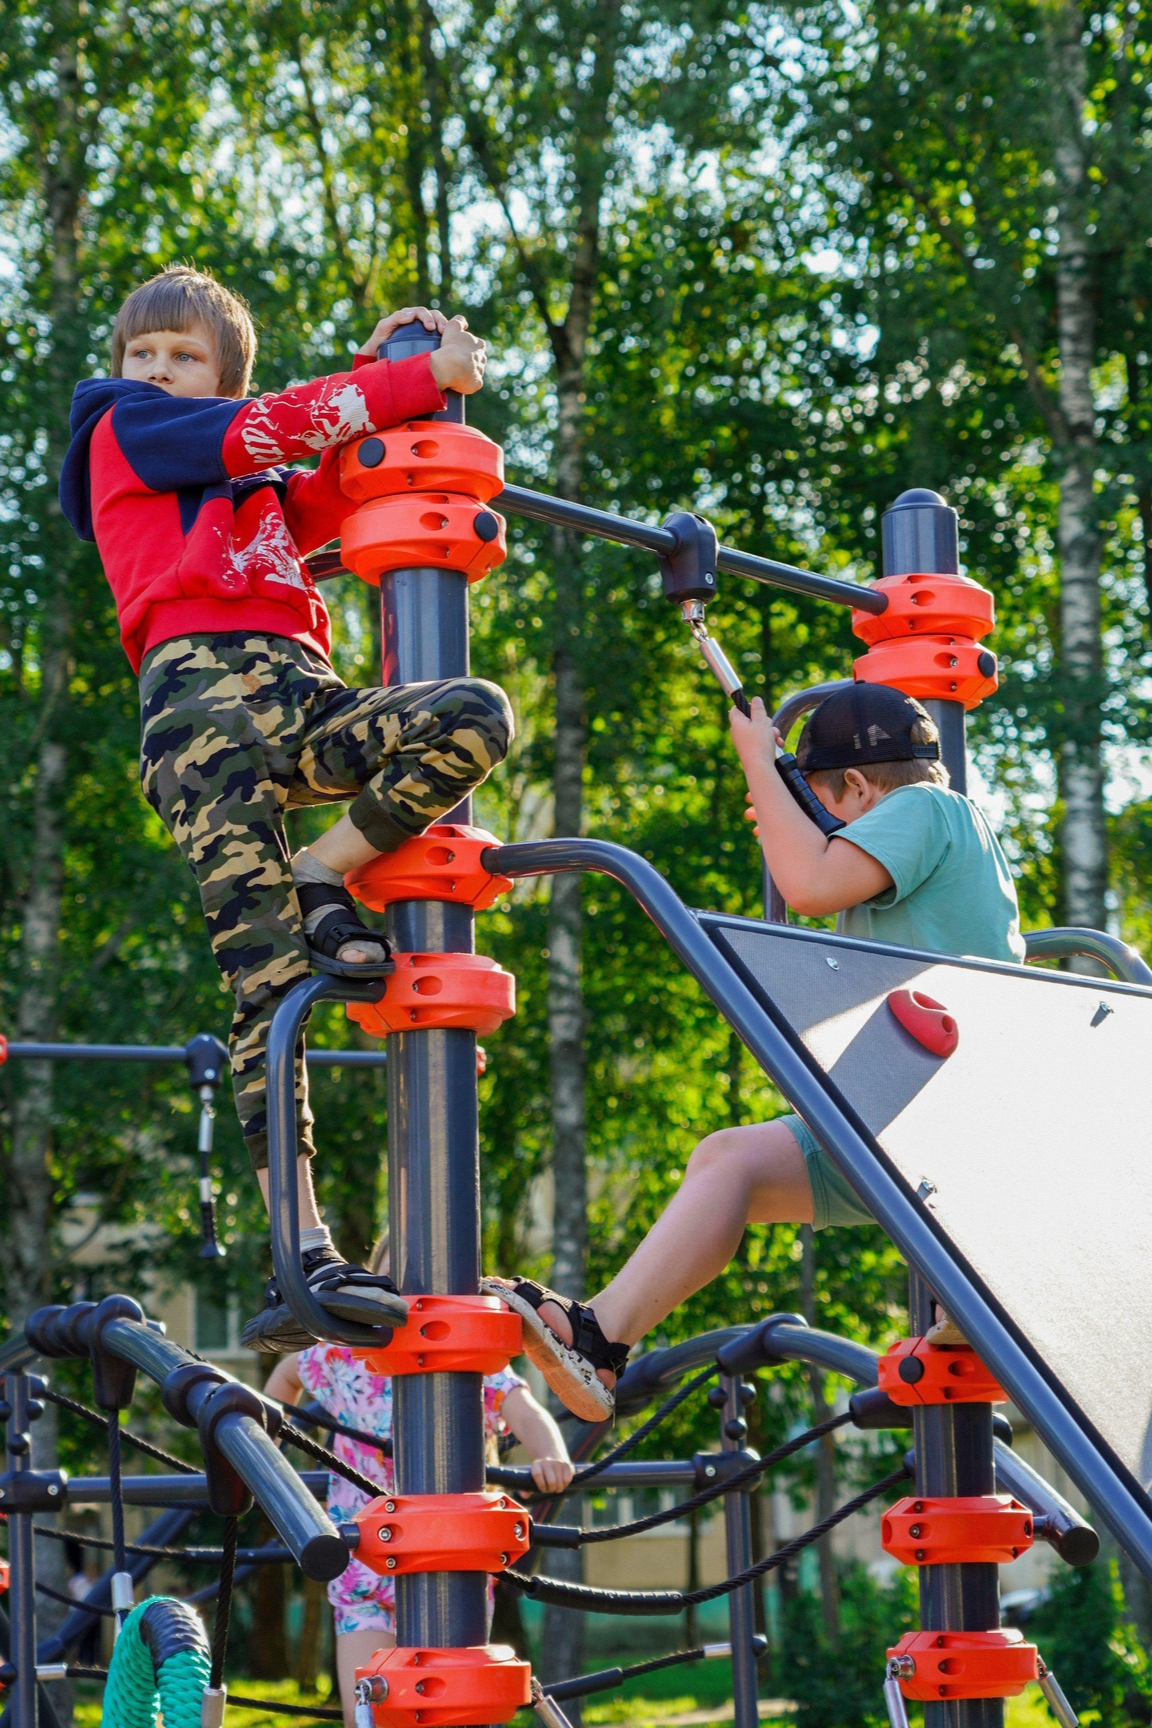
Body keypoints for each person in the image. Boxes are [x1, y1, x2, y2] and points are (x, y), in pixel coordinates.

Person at [59, 265, 513, 1351]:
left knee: (471, 714)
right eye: (144, 355)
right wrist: (409, 386)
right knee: (271, 982)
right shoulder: (127, 431)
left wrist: (388, 370)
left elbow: (326, 485)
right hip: (199, 710)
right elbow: (271, 428)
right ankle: (301, 1246)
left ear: (218, 373)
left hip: (297, 693)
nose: (156, 373)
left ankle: (326, 870)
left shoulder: (240, 488)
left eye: (183, 358)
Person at [484, 682, 1025, 1420]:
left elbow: (806, 886)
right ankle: (602, 1339)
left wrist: (760, 769)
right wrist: (787, 813)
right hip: (898, 1110)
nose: (829, 827)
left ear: (862, 786)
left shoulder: (928, 809)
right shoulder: (938, 830)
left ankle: (994, 1280)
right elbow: (816, 873)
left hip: (943, 1105)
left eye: (830, 807)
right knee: (728, 1162)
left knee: (733, 1158)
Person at [264, 1237, 573, 1728]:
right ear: (374, 1292)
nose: (414, 1300)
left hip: (454, 1564)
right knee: (367, 1711)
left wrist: (551, 1456)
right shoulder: (346, 1356)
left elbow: (527, 1409)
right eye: (398, 1286)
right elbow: (285, 1377)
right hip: (363, 1561)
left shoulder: (472, 1358)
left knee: (450, 1710)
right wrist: (269, 1449)